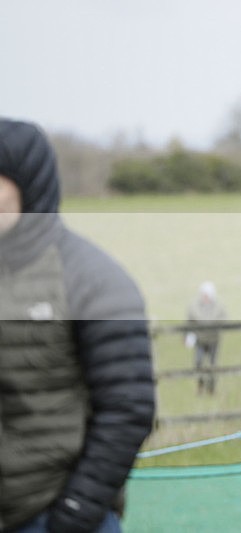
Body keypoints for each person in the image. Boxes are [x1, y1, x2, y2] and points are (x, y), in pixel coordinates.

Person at [0, 119, 156, 533]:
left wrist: (76, 509)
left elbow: (128, 407)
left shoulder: (91, 278)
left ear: (27, 184)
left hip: (51, 514)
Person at [186, 281, 227, 394]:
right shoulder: (194, 306)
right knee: (198, 363)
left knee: (213, 364)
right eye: (203, 295)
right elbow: (189, 322)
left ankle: (212, 388)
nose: (205, 297)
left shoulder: (218, 307)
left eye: (207, 295)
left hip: (214, 340)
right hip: (200, 340)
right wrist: (187, 336)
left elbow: (223, 320)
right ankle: (200, 386)